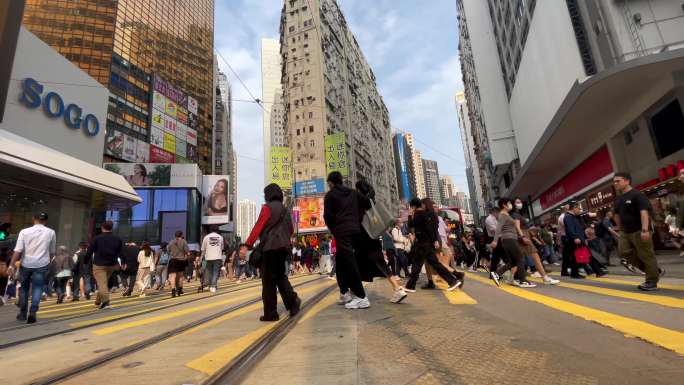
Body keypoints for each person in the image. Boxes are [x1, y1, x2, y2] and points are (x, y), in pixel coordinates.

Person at [246, 183, 301, 321]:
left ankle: (271, 313)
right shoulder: (285, 209)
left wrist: (248, 244)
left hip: (270, 248)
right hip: (283, 248)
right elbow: (291, 230)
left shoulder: (267, 208)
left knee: (268, 281)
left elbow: (258, 226)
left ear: (268, 195)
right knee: (280, 277)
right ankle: (293, 302)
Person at [323, 171, 371, 309]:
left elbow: (327, 217)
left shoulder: (330, 195)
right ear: (341, 181)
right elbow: (368, 203)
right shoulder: (353, 193)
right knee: (341, 260)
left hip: (342, 232)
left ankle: (361, 297)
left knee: (349, 262)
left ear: (330, 183)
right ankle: (344, 293)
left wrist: (335, 230)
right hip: (355, 231)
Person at [354, 180, 408, 304]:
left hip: (363, 238)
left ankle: (357, 294)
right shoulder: (372, 200)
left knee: (356, 264)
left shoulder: (360, 202)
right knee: (380, 264)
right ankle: (397, 288)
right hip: (374, 237)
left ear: (359, 190)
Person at [613, 172, 663, 291]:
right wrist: (620, 229)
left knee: (646, 255)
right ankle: (653, 270)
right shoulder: (619, 199)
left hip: (640, 230)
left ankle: (651, 281)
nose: (615, 184)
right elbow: (616, 214)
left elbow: (643, 212)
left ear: (627, 181)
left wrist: (645, 230)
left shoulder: (637, 195)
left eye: (617, 181)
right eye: (614, 182)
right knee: (623, 252)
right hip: (626, 232)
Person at [404, 198, 463, 293]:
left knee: (417, 265)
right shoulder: (428, 214)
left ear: (413, 206)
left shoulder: (419, 214)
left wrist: (410, 215)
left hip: (423, 244)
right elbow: (431, 228)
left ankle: (410, 286)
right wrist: (434, 240)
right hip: (427, 243)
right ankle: (453, 280)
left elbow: (412, 226)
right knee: (434, 264)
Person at [7, 213, 56, 323]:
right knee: (38, 288)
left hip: (26, 264)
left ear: (33, 219)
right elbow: (52, 252)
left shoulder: (24, 232)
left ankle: (23, 313)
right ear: (46, 220)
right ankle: (33, 311)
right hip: (42, 264)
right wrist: (48, 263)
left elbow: (18, 250)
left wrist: (11, 265)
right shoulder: (51, 232)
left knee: (24, 288)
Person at [489, 198, 536, 288]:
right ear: (504, 205)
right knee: (520, 258)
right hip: (509, 239)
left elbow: (509, 229)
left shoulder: (506, 214)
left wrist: (519, 237)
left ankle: (496, 274)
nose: (511, 204)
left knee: (513, 262)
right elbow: (498, 228)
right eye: (509, 203)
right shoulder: (502, 214)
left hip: (509, 239)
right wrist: (495, 241)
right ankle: (523, 280)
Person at [512, 198, 559, 285]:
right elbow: (517, 227)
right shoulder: (515, 215)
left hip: (523, 236)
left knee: (520, 259)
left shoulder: (517, 214)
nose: (520, 203)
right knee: (534, 257)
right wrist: (522, 237)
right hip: (523, 237)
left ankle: (511, 278)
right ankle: (545, 278)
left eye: (520, 201)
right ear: (513, 204)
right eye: (517, 202)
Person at [86, 220, 122, 310]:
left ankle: (106, 302)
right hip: (111, 265)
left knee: (102, 283)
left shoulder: (97, 238)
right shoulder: (117, 239)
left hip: (99, 264)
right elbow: (121, 252)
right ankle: (98, 301)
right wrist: (123, 262)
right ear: (112, 228)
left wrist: (85, 261)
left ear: (102, 228)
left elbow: (90, 251)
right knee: (103, 282)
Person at [201, 226, 225, 293]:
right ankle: (213, 286)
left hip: (208, 257)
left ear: (210, 230)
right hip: (217, 257)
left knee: (209, 272)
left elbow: (203, 248)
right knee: (215, 272)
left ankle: (208, 285)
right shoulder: (220, 237)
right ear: (217, 230)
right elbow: (222, 248)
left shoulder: (206, 237)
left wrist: (201, 257)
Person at [167, 231, 189, 297]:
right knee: (180, 276)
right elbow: (187, 251)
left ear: (175, 235)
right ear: (181, 235)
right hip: (181, 260)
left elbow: (168, 251)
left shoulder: (171, 242)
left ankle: (173, 291)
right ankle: (179, 290)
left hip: (173, 260)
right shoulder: (184, 241)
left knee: (172, 276)